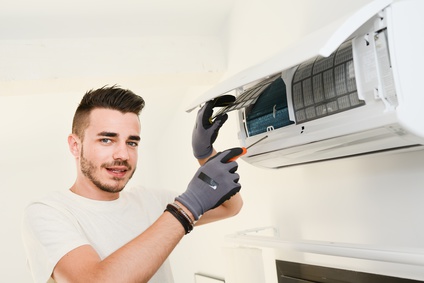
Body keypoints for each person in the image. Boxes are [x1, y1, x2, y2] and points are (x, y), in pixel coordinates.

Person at [21, 86, 243, 283]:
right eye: (106, 140)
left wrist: (206, 156)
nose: (123, 154)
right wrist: (185, 208)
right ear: (75, 145)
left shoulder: (150, 201)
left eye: (132, 142)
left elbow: (228, 207)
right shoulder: (48, 212)